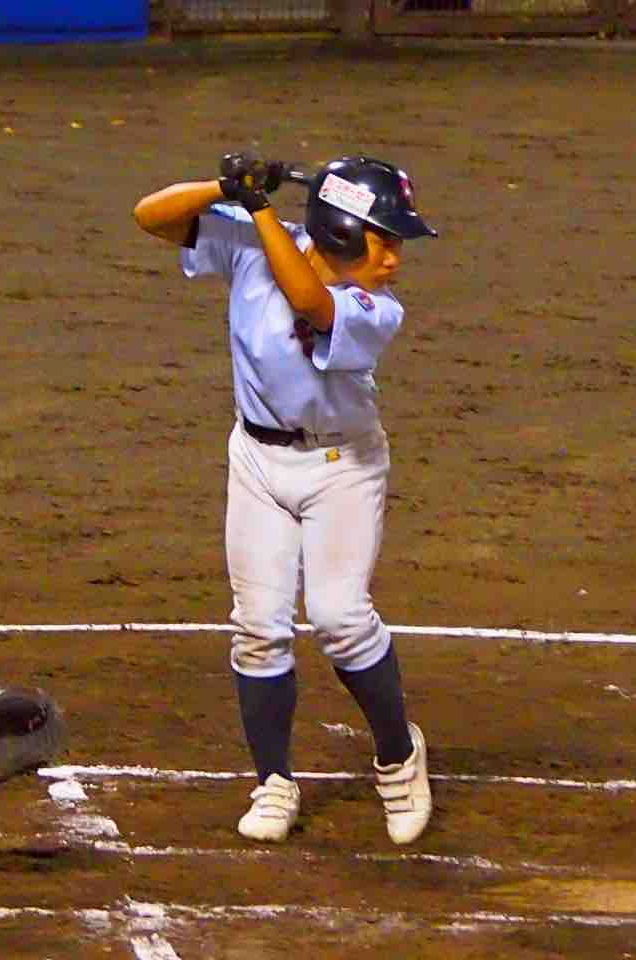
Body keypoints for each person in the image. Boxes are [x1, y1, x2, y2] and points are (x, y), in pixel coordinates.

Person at [133, 153, 438, 845]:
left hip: (343, 467)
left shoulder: (377, 310)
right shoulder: (251, 240)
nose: (395, 258)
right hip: (257, 461)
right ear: (339, 233)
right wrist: (223, 187)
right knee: (258, 627)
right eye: (384, 239)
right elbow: (150, 216)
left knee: (339, 617)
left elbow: (308, 300)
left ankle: (399, 755)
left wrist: (260, 207)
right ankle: (273, 780)